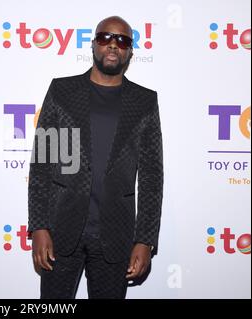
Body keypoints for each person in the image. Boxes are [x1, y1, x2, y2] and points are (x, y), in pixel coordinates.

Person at [28, 16, 163, 299]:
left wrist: (145, 240)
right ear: (93, 45)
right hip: (60, 231)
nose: (113, 46)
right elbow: (42, 164)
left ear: (130, 52)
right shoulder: (62, 92)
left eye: (122, 41)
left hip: (115, 235)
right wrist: (39, 226)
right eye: (106, 38)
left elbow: (151, 177)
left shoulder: (145, 101)